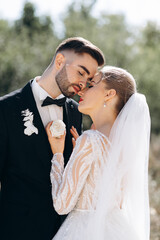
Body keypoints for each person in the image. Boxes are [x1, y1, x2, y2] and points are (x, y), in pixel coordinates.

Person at [0, 37, 104, 240]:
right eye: (81, 72)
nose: (83, 84)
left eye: (88, 79)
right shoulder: (5, 109)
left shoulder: (76, 111)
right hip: (16, 230)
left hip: (63, 231)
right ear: (59, 62)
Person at [46, 66, 151, 240]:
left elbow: (62, 205)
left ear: (109, 94)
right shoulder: (124, 145)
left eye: (92, 85)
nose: (82, 90)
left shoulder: (91, 139)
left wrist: (58, 155)